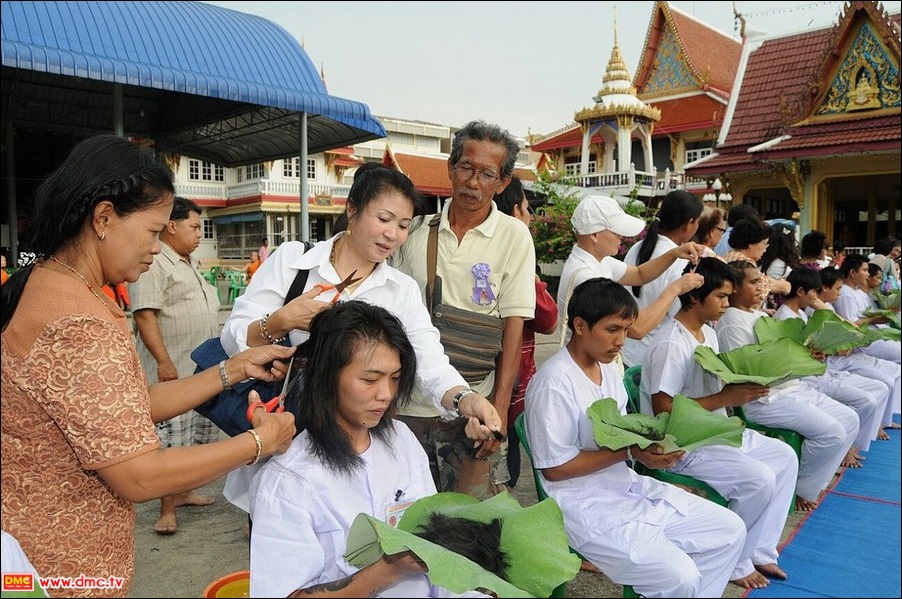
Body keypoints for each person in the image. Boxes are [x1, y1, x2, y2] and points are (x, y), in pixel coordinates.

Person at [0, 135, 296, 598]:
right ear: (103, 218)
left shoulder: (48, 281)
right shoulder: (79, 322)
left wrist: (232, 370)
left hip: (35, 548)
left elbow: (128, 409)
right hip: (61, 567)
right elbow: (140, 476)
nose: (157, 247)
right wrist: (259, 442)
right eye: (154, 230)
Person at [220, 162, 503, 511]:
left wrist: (466, 400)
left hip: (358, 438)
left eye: (402, 226)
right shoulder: (295, 262)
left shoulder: (400, 290)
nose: (392, 235)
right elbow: (234, 337)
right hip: (289, 426)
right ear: (352, 210)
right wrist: (279, 322)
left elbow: (429, 359)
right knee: (283, 524)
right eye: (383, 219)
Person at [249, 301, 494, 597]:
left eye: (394, 378)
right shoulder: (288, 481)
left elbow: (437, 551)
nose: (386, 394)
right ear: (327, 377)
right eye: (369, 379)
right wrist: (390, 570)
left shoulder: (401, 439)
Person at [525, 277, 746, 597]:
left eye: (626, 330)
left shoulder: (609, 367)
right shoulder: (554, 382)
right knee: (679, 576)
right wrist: (631, 452)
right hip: (580, 505)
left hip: (624, 488)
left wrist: (657, 444)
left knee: (730, 530)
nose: (621, 342)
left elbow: (625, 432)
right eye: (612, 329)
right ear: (581, 326)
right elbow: (554, 469)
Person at [393, 120, 536, 499]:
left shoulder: (514, 236)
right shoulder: (416, 230)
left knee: (473, 521)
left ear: (502, 183)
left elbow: (513, 328)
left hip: (474, 409)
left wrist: (499, 410)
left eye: (487, 173)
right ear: (451, 168)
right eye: (466, 168)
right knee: (409, 516)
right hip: (408, 406)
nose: (473, 182)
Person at [639, 258, 798, 589]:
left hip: (714, 427)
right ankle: (736, 561)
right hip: (684, 442)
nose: (727, 304)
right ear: (696, 296)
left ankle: (759, 549)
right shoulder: (672, 342)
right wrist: (727, 399)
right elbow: (663, 408)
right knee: (759, 480)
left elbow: (719, 387)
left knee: (785, 458)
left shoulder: (707, 332)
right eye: (721, 297)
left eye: (728, 297)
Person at [714, 259, 859, 512]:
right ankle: (800, 488)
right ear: (734, 288)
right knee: (832, 433)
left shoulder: (759, 315)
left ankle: (808, 483)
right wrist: (794, 361)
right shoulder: (732, 321)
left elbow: (785, 350)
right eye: (754, 282)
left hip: (791, 388)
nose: (761, 287)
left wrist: (807, 355)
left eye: (762, 281)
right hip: (763, 398)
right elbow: (746, 370)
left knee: (850, 419)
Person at [128, 196, 222, 534]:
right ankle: (167, 508)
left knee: (195, 437)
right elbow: (145, 314)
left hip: (198, 373)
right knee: (171, 442)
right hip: (172, 372)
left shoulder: (188, 262)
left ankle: (183, 492)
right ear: (171, 225)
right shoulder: (155, 262)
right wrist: (164, 362)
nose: (199, 234)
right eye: (194, 226)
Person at [557, 194, 704, 347]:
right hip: (585, 366)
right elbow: (636, 328)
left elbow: (639, 274)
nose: (621, 236)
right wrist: (676, 288)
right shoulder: (587, 277)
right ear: (595, 234)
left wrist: (674, 253)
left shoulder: (599, 260)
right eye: (616, 231)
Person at [774, 268, 886, 466]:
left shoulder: (799, 313)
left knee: (874, 394)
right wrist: (814, 354)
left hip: (819, 372)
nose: (817, 298)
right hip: (805, 379)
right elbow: (789, 357)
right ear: (801, 291)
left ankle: (851, 447)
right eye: (815, 293)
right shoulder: (785, 317)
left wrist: (817, 352)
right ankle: (839, 456)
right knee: (860, 405)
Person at [493, 175, 558, 486]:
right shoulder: (514, 254)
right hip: (508, 384)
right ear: (515, 212)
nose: (531, 218)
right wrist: (534, 281)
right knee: (505, 473)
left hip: (483, 381)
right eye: (528, 210)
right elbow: (548, 319)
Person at [621, 189, 706, 367]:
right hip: (651, 356)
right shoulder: (680, 262)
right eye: (697, 221)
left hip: (626, 350)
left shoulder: (637, 247)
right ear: (689, 223)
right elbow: (680, 315)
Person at [814, 266, 901, 430]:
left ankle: (882, 422)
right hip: (835, 361)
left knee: (890, 378)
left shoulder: (829, 305)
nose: (839, 293)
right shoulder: (824, 306)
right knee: (873, 392)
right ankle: (872, 429)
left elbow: (845, 328)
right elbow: (847, 327)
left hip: (848, 352)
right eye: (836, 289)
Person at [833, 254, 901, 365]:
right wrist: (874, 320)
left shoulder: (855, 291)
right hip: (864, 343)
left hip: (874, 335)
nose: (867, 275)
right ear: (853, 272)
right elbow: (851, 323)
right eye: (865, 270)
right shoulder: (845, 294)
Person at [723, 218, 791, 310]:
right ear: (750, 243)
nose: (765, 249)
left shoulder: (730, 255)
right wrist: (784, 286)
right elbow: (767, 286)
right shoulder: (743, 263)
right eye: (764, 244)